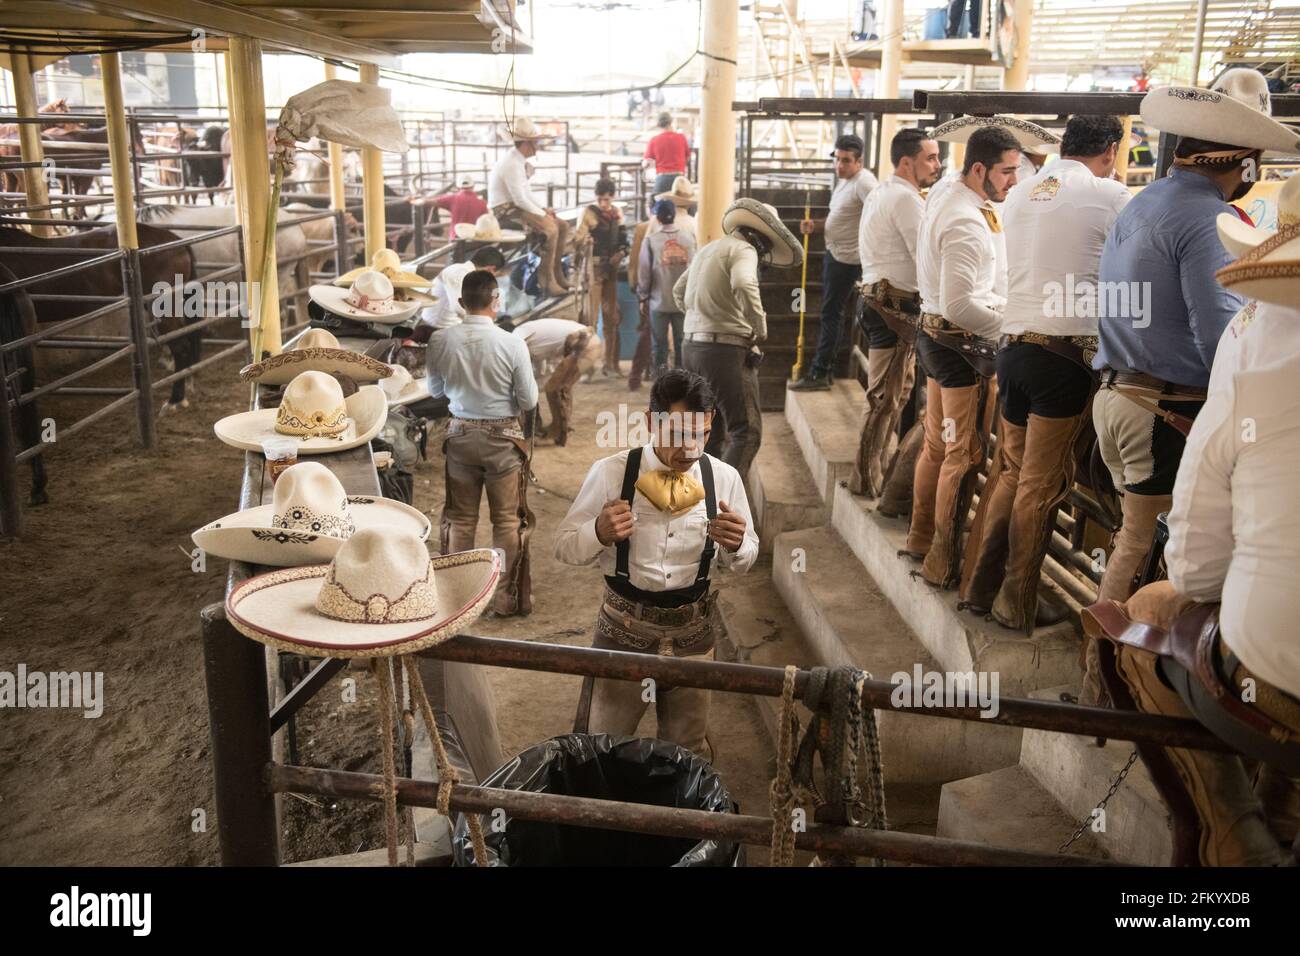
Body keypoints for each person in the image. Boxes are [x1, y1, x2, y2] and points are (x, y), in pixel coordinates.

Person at [1086, 177, 1300, 865]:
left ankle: (1230, 837)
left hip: (1120, 393)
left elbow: (1199, 563)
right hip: (1146, 401)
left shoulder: (1256, 343)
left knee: (1152, 589)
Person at [1083, 67, 1299, 702]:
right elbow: (1218, 332)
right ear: (1244, 162)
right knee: (1142, 543)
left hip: (1119, 394)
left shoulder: (1141, 203)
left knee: (1133, 536)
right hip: (1161, 406)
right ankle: (1109, 681)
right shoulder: (1206, 219)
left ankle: (1110, 673)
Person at [958, 115, 1130, 632]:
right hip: (1065, 356)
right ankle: (1016, 602)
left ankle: (978, 589)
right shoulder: (1110, 195)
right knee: (1041, 483)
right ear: (1112, 148)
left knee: (1011, 473)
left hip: (1013, 347)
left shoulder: (1023, 191)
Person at [556, 368, 759, 756]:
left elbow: (746, 557)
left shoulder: (724, 478)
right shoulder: (613, 473)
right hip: (623, 632)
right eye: (677, 435)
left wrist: (738, 547)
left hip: (694, 637)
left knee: (688, 753)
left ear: (712, 422)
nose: (689, 450)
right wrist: (598, 532)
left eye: (700, 435)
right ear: (651, 422)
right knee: (604, 748)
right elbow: (564, 547)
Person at [907, 125, 1020, 589]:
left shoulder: (949, 194)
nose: (1013, 181)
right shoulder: (967, 223)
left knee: (939, 443)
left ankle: (920, 536)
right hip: (961, 352)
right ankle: (942, 560)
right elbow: (959, 304)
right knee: (963, 451)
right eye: (1007, 172)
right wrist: (1008, 328)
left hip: (935, 342)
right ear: (979, 169)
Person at [426, 270, 538, 617]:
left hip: (460, 434)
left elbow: (435, 391)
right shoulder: (512, 343)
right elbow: (529, 398)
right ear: (496, 301)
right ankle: (503, 597)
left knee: (461, 520)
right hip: (503, 439)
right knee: (505, 521)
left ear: (461, 303)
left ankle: (460, 597)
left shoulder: (440, 341)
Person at [676, 198, 801, 482]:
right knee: (747, 432)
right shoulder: (744, 250)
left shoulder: (709, 249)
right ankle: (722, 504)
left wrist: (701, 317)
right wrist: (758, 327)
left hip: (692, 347)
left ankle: (699, 499)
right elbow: (744, 283)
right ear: (760, 239)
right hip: (724, 352)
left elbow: (678, 291)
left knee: (712, 431)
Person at [850, 127, 942, 498]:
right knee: (887, 396)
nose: (936, 164)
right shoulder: (906, 200)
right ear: (907, 162)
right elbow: (925, 256)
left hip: (878, 299)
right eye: (930, 158)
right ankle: (866, 476)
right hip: (893, 305)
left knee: (891, 393)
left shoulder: (882, 192)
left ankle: (871, 470)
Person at [789, 133, 879, 391]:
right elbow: (844, 217)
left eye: (846, 160)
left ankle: (820, 372)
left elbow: (880, 213)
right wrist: (817, 226)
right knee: (832, 313)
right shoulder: (847, 180)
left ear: (859, 161)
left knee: (832, 314)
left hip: (848, 259)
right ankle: (822, 371)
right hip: (838, 254)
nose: (839, 165)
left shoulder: (865, 183)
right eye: (837, 159)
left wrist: (871, 249)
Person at [488, 117, 570, 298]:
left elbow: (526, 193)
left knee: (562, 225)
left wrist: (543, 209)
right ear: (526, 143)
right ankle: (546, 280)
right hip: (504, 211)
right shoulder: (512, 164)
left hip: (514, 207)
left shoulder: (517, 160)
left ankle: (556, 273)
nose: (538, 145)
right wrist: (543, 215)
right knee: (551, 228)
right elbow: (519, 199)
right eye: (536, 142)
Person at [512, 316, 603, 445]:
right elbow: (540, 370)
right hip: (586, 342)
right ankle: (563, 427)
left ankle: (559, 431)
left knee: (555, 388)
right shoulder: (531, 341)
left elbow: (535, 372)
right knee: (561, 386)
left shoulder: (517, 336)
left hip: (582, 345)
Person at [574, 178, 629, 374]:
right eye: (600, 199)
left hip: (611, 269)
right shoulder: (588, 213)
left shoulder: (617, 213)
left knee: (611, 316)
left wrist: (621, 252)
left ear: (612, 197)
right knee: (589, 316)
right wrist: (585, 242)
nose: (604, 203)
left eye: (607, 199)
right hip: (593, 268)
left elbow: (624, 240)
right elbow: (578, 240)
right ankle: (586, 366)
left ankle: (610, 363)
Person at [638, 199, 696, 376]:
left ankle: (661, 380)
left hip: (658, 301)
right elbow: (695, 269)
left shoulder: (650, 241)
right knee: (682, 342)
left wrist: (643, 297)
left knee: (660, 344)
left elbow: (645, 272)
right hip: (683, 301)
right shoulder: (689, 238)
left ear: (658, 217)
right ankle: (681, 379)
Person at [419, 246, 508, 334]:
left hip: (452, 326)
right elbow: (459, 308)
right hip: (435, 329)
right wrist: (487, 324)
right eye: (495, 274)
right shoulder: (458, 273)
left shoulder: (468, 273)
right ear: (490, 269)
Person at [643, 111, 691, 198]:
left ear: (658, 125)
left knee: (657, 207)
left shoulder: (654, 140)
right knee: (686, 205)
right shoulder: (681, 138)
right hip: (679, 179)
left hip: (662, 179)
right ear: (670, 122)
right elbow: (687, 157)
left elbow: (646, 163)